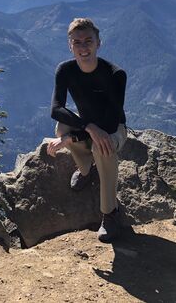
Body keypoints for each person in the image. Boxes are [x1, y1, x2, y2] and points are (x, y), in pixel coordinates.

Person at [47, 17, 130, 243]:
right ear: (70, 46)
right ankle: (86, 171)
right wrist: (83, 128)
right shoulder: (65, 70)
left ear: (98, 43)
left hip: (114, 129)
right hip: (90, 126)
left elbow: (111, 123)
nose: (83, 47)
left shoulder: (115, 74)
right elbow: (56, 109)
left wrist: (72, 137)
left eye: (88, 41)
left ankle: (110, 213)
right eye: (77, 42)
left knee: (101, 146)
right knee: (60, 126)